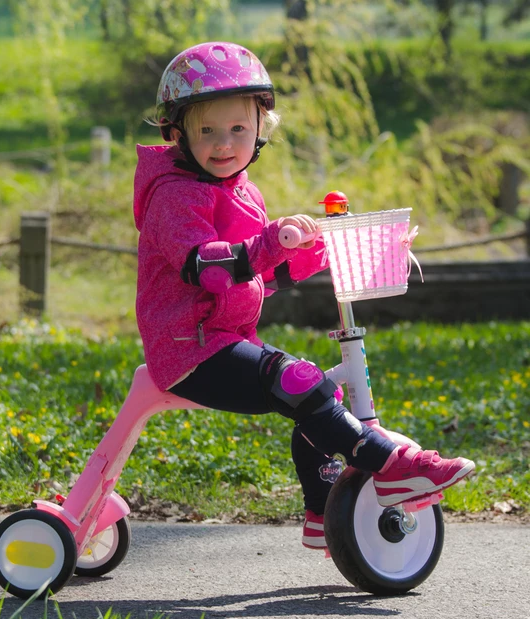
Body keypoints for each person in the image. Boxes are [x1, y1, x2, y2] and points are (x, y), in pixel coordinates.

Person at [133, 41, 475, 551]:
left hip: (220, 339)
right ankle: (393, 466)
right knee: (300, 382)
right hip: (188, 346)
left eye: (238, 130)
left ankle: (323, 513)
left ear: (259, 132)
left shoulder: (242, 192)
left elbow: (260, 276)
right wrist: (273, 240)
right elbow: (207, 267)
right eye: (207, 130)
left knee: (320, 398)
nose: (224, 144)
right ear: (176, 132)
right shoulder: (172, 195)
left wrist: (319, 251)